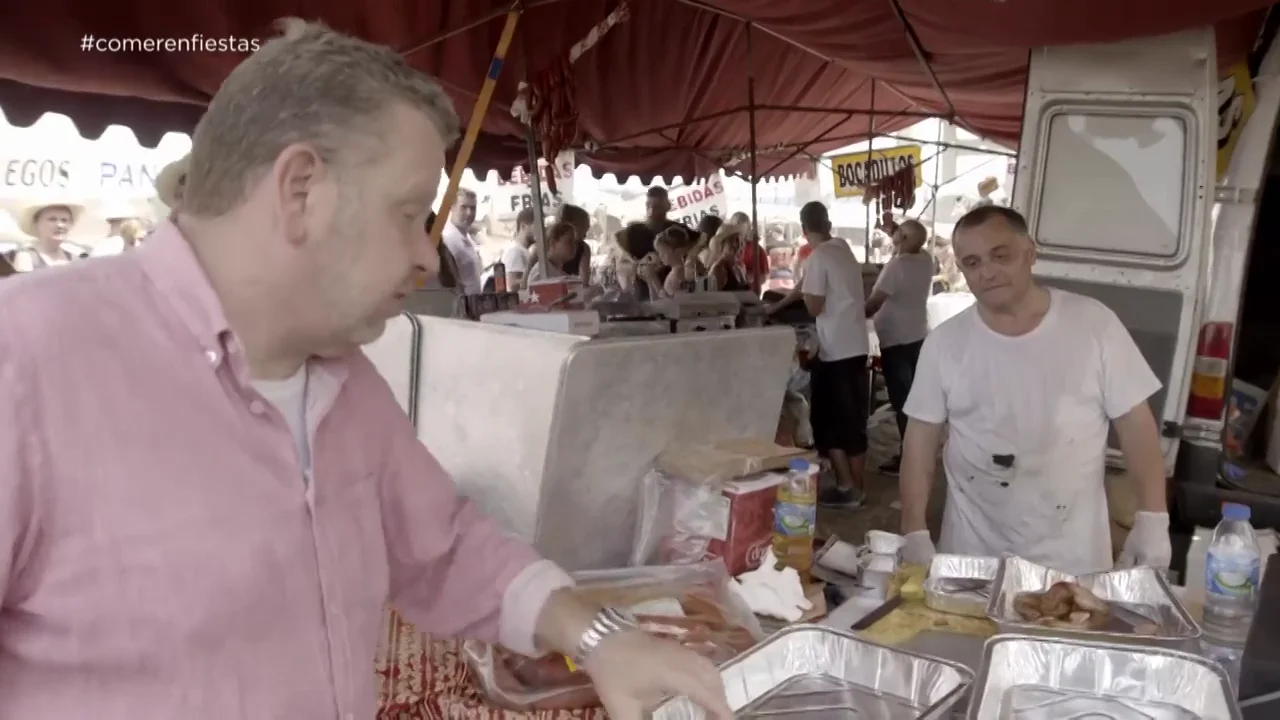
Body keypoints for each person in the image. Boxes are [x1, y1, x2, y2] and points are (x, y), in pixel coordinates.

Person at [0, 20, 732, 720]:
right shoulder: (27, 361)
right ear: (301, 192)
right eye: (410, 213)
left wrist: (602, 639)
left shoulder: (347, 386)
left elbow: (445, 550)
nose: (424, 253)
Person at [898, 206, 1171, 575]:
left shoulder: (1093, 324)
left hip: (1072, 561)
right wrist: (913, 528)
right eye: (973, 263)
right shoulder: (945, 343)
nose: (988, 272)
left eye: (1000, 256)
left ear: (1030, 253)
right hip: (972, 557)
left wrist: (1153, 519)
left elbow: (1136, 423)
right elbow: (920, 439)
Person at [786, 202, 870, 507]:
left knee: (827, 421)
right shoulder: (842, 248)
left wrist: (790, 301)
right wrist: (782, 301)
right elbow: (807, 287)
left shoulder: (818, 256)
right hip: (856, 344)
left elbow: (813, 306)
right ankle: (856, 488)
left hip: (835, 350)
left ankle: (847, 487)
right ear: (829, 223)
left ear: (804, 228)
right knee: (853, 421)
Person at [865, 219, 933, 475]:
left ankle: (909, 458)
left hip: (896, 340)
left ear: (902, 240)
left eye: (898, 235)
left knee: (903, 402)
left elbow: (874, 303)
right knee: (915, 400)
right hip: (917, 335)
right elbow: (911, 239)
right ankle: (918, 452)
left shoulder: (897, 266)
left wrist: (849, 315)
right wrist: (896, 230)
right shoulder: (926, 259)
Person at [8, 200, 87, 271]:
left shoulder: (75, 257)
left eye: (64, 220)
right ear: (37, 223)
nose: (60, 225)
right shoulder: (26, 257)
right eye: (52, 219)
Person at [441, 188, 483, 294]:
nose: (469, 213)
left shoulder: (467, 237)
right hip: (462, 305)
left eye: (473, 208)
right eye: (463, 207)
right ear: (452, 207)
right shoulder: (448, 240)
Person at [640, 225, 698, 299]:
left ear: (678, 251)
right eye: (659, 252)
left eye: (664, 252)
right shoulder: (675, 271)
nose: (660, 256)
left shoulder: (679, 273)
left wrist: (654, 278)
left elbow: (668, 302)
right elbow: (657, 301)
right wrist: (650, 280)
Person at [706, 226, 749, 292]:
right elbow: (713, 298)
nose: (737, 245)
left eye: (739, 241)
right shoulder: (718, 269)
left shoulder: (739, 267)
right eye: (733, 241)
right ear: (723, 244)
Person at [502, 208, 537, 289]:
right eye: (536, 226)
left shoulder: (521, 250)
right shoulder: (515, 251)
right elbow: (511, 285)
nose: (540, 231)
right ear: (523, 226)